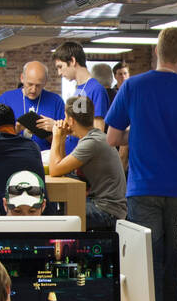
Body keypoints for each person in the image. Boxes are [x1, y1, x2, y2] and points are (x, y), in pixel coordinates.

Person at [105, 26, 177, 301]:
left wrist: (140, 133)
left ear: (156, 52)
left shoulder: (132, 87)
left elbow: (112, 138)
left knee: (147, 264)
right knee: (173, 264)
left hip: (143, 191)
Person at [48, 95, 127, 230]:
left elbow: (54, 170)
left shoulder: (91, 143)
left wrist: (55, 136)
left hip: (107, 211)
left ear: (71, 120)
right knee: (61, 211)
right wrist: (62, 137)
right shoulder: (93, 137)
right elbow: (62, 169)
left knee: (57, 217)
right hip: (103, 205)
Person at [0, 60, 66, 152]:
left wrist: (52, 131)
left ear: (45, 82)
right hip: (13, 157)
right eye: (30, 84)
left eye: (38, 86)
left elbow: (65, 143)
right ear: (22, 78)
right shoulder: (5, 99)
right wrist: (15, 130)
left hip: (45, 160)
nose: (33, 90)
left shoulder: (56, 101)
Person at [52, 41, 110, 132]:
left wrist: (64, 130)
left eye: (60, 67)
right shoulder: (79, 89)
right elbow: (78, 127)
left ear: (72, 61)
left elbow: (97, 134)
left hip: (85, 146)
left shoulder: (96, 89)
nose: (59, 73)